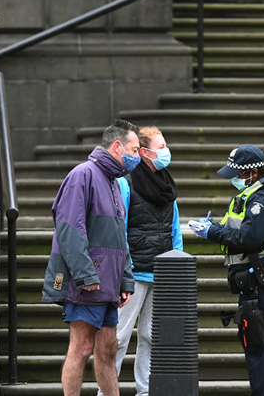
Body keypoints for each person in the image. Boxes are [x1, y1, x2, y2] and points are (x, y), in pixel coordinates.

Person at [41, 119, 140, 396]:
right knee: (82, 347)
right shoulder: (83, 175)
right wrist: (85, 275)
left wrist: (125, 280)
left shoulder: (113, 182)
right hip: (88, 281)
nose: (136, 156)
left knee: (107, 350)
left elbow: (119, 239)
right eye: (133, 150)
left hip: (106, 282)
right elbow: (69, 230)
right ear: (117, 146)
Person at [189, 144, 264, 396]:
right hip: (262, 279)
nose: (234, 179)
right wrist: (213, 226)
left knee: (259, 346)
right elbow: (239, 230)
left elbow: (251, 239)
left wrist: (211, 232)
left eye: (238, 174)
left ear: (253, 172)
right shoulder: (255, 193)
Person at [96, 127, 183, 396]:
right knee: (119, 337)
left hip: (161, 272)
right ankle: (106, 392)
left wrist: (176, 265)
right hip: (134, 275)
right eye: (162, 146)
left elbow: (174, 228)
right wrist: (125, 271)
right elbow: (119, 230)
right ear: (145, 152)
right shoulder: (126, 183)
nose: (166, 151)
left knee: (150, 337)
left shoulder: (167, 184)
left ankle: (145, 391)